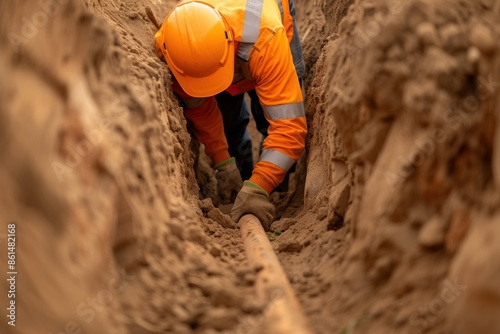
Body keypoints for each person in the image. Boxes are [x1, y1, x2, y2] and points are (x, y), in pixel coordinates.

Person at [154, 0, 307, 230]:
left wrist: (261, 185)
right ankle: (239, 182)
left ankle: (276, 191)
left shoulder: (267, 40)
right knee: (230, 125)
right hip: (228, 47)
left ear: (228, 49)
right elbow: (201, 109)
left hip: (268, 31)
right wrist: (223, 162)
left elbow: (289, 127)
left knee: (271, 122)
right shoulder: (176, 49)